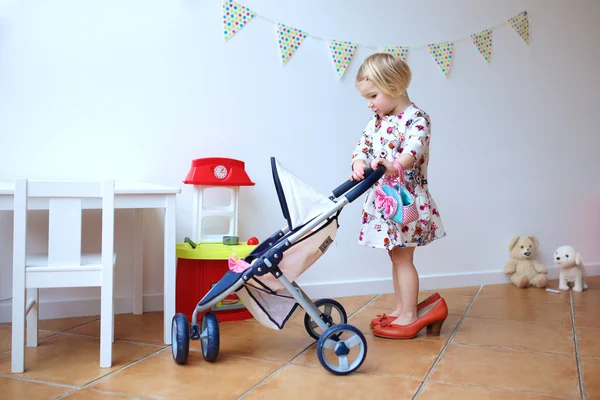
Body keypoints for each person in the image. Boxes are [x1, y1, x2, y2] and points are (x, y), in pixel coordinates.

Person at [350, 53, 447, 339]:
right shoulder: (378, 119)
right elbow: (363, 146)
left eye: (373, 95)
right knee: (396, 257)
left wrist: (394, 165)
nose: (370, 103)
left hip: (405, 200)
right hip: (385, 199)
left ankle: (409, 315)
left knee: (404, 259)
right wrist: (358, 163)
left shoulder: (417, 119)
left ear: (393, 86)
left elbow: (412, 151)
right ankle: (400, 307)